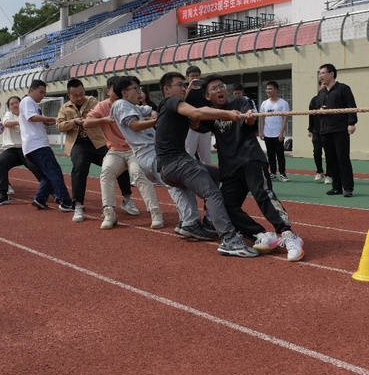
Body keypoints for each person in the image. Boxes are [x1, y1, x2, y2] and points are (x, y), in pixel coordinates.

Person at [199, 74, 304, 261]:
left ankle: (288, 234)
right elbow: (195, 119)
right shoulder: (210, 114)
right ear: (208, 96)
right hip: (229, 168)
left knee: (263, 194)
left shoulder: (240, 102)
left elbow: (250, 121)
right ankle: (260, 234)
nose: (220, 90)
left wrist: (248, 118)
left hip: (250, 158)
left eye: (221, 86)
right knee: (223, 205)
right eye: (214, 89)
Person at [155, 70, 259, 258]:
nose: (184, 88)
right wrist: (227, 114)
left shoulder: (176, 108)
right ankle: (229, 239)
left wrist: (197, 118)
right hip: (175, 163)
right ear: (167, 90)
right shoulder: (171, 101)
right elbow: (197, 112)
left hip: (170, 167)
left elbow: (195, 122)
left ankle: (211, 222)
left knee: (216, 175)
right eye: (179, 85)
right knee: (212, 193)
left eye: (184, 85)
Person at [111, 76, 210, 239]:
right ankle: (189, 223)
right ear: (124, 92)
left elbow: (150, 109)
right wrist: (159, 120)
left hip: (152, 153)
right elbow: (134, 126)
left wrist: (155, 113)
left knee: (182, 183)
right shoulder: (121, 104)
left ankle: (185, 222)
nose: (139, 92)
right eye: (135, 88)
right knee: (177, 185)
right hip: (149, 153)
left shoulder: (132, 106)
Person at [83, 76, 164, 230]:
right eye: (116, 89)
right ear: (110, 91)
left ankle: (155, 212)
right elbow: (87, 123)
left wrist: (154, 113)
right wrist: (104, 120)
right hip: (115, 150)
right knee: (106, 172)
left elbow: (147, 110)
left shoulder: (131, 105)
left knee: (139, 174)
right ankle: (109, 213)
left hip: (134, 150)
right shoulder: (105, 106)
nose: (118, 92)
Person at [56, 78, 135, 222]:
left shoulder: (93, 102)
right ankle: (78, 205)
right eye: (76, 95)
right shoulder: (65, 108)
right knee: (79, 167)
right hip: (78, 144)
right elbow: (59, 126)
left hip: (98, 142)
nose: (80, 98)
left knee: (119, 163)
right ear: (69, 96)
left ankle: (127, 200)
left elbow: (101, 115)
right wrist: (74, 122)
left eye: (82, 93)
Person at [19, 79, 75, 212]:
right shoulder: (27, 101)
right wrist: (53, 119)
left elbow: (44, 122)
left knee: (47, 175)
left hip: (34, 146)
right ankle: (65, 201)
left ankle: (40, 199)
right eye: (41, 92)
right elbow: (32, 117)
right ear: (31, 90)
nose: (43, 95)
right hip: (37, 145)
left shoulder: (35, 105)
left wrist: (60, 121)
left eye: (44, 93)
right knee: (55, 172)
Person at [0, 96, 43, 206]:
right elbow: (7, 123)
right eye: (12, 104)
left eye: (17, 103)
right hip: (12, 149)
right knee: (0, 164)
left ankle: (54, 193)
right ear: (9, 107)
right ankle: (2, 195)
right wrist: (20, 121)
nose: (15, 105)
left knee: (37, 168)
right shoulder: (8, 115)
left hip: (26, 149)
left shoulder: (28, 115)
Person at [318, 64, 358, 197]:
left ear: (331, 74)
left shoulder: (343, 89)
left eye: (323, 73)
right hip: (325, 130)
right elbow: (318, 109)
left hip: (340, 129)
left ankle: (348, 188)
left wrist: (351, 123)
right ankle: (336, 187)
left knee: (343, 159)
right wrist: (320, 111)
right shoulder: (321, 92)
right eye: (320, 73)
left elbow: (351, 106)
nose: (320, 76)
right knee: (330, 160)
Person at [258, 80, 290, 182]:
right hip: (268, 134)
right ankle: (272, 173)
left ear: (276, 90)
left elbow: (285, 118)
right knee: (270, 155)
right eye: (267, 89)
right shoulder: (264, 103)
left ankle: (283, 174)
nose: (268, 91)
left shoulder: (283, 103)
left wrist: (281, 133)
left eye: (270, 89)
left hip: (278, 134)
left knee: (280, 155)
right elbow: (262, 118)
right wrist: (261, 131)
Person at [183, 65, 213, 164]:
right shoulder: (184, 91)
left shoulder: (205, 91)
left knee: (206, 157)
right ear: (187, 77)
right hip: (190, 128)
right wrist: (189, 88)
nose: (195, 78)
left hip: (205, 128)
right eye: (192, 76)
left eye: (197, 76)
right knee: (189, 154)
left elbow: (210, 106)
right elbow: (180, 101)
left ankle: (206, 173)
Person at [308, 82, 330, 183]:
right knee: (317, 152)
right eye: (322, 86)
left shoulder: (331, 99)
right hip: (316, 131)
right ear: (319, 87)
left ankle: (329, 175)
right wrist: (310, 129)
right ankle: (319, 171)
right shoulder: (314, 100)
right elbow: (311, 115)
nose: (324, 88)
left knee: (329, 153)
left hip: (328, 131)